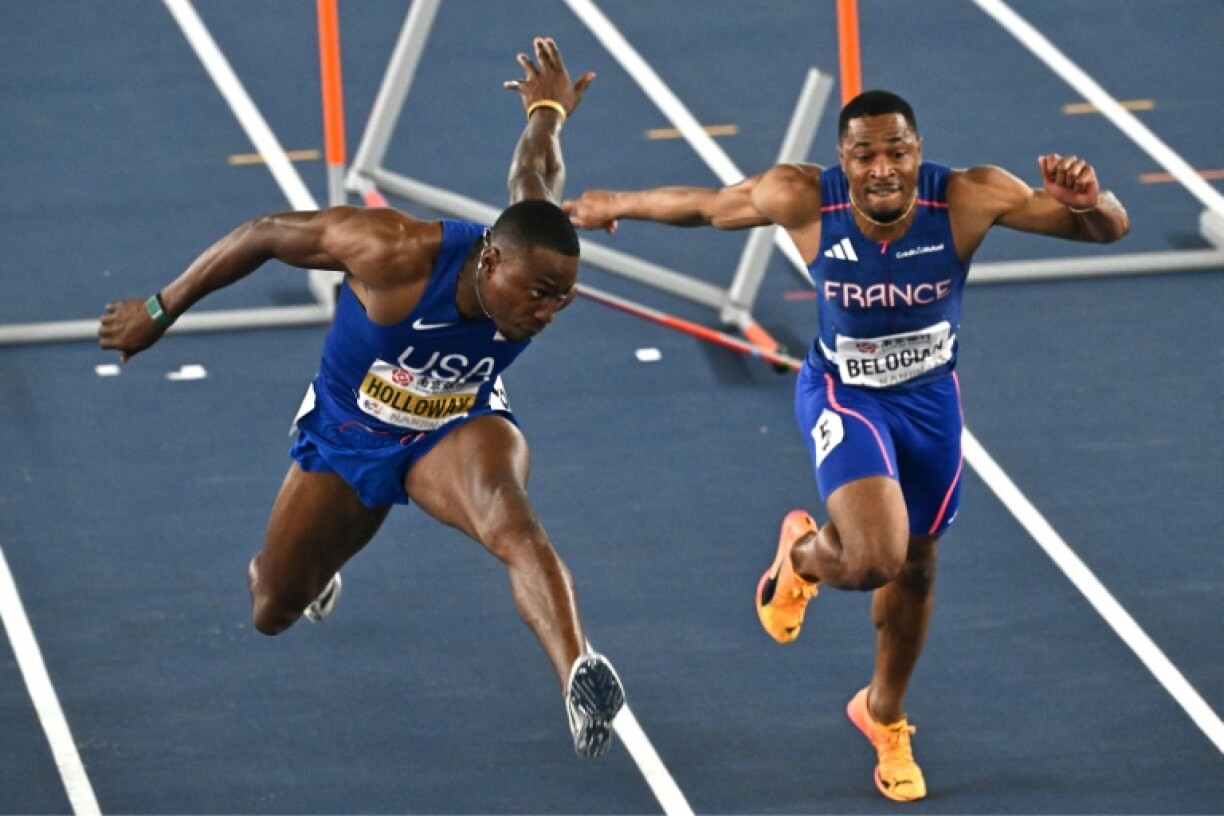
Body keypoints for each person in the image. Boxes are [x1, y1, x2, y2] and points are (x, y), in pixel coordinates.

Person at [564, 89, 1129, 798]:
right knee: (872, 559)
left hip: (929, 402)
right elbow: (709, 206)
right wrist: (615, 200)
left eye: (897, 151)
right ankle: (802, 554)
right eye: (865, 154)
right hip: (845, 392)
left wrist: (1090, 199)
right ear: (844, 160)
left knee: (917, 567)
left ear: (918, 153)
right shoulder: (803, 197)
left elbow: (1106, 231)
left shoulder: (970, 196)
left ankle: (882, 713)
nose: (882, 168)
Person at [98, 37, 626, 761]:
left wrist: (546, 107)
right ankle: (317, 563)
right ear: (491, 260)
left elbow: (534, 165)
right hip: (348, 433)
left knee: (510, 520)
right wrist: (160, 311)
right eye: (538, 296)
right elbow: (266, 235)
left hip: (455, 422)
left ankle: (580, 670)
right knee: (271, 607)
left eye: (561, 303)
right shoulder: (395, 254)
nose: (545, 315)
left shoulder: (531, 237)